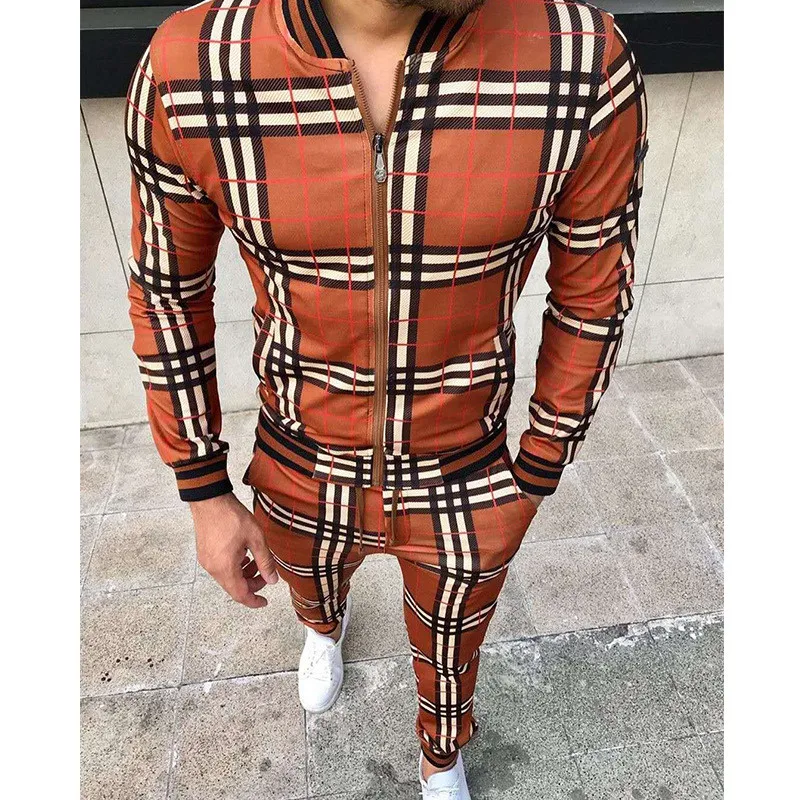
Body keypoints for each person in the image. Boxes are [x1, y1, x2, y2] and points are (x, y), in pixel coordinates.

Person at [124, 0, 648, 795]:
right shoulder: (192, 65)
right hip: (298, 453)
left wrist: (539, 466)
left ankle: (442, 755)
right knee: (310, 585)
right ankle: (322, 630)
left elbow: (593, 292)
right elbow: (168, 291)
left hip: (466, 466)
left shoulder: (578, 58)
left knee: (454, 647)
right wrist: (203, 490)